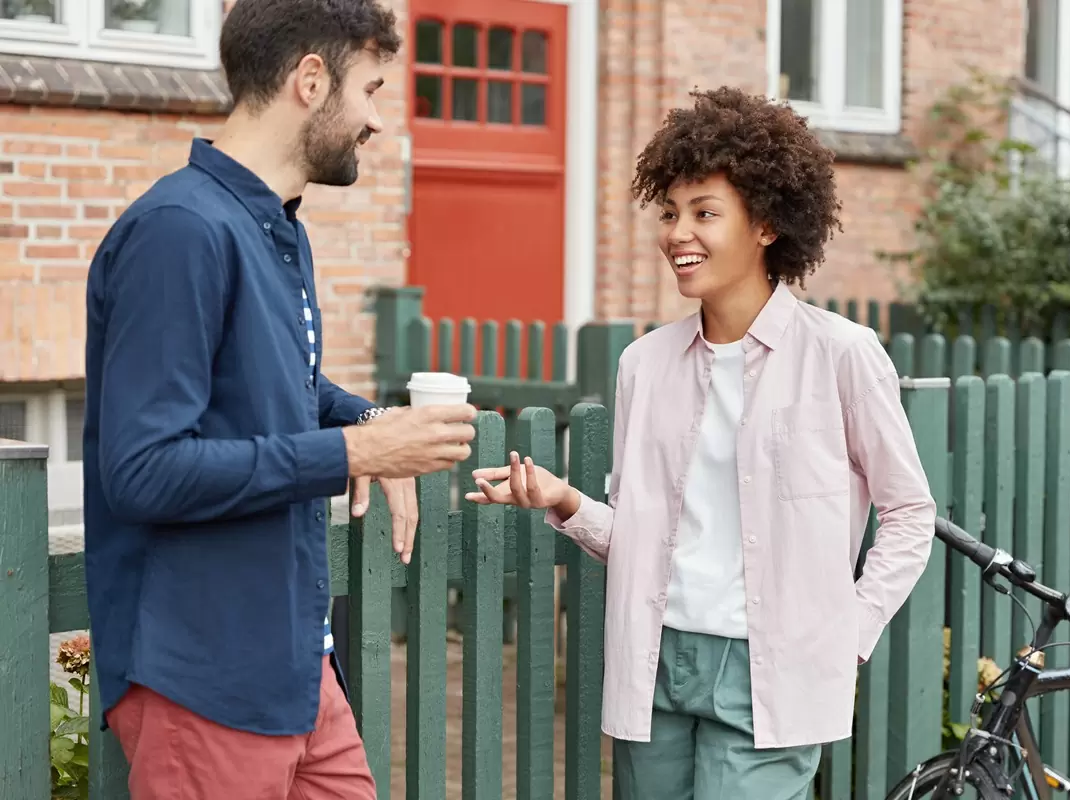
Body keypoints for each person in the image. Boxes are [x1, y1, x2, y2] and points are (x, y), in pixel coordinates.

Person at [466, 86, 938, 799]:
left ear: (767, 225)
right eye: (670, 212)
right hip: (655, 661)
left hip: (769, 669)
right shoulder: (644, 365)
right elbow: (643, 534)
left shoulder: (842, 355)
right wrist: (564, 501)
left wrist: (850, 629)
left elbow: (909, 515)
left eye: (704, 213)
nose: (677, 233)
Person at [81, 1, 477, 797]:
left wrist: (369, 420)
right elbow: (144, 470)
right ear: (309, 80)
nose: (376, 122)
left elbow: (279, 382)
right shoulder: (179, 231)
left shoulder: (274, 226)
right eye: (369, 90)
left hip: (296, 671)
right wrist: (356, 453)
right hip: (201, 683)